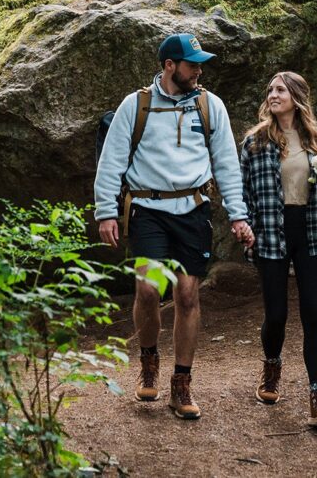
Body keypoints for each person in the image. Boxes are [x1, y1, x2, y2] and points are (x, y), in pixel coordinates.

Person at [95, 32, 254, 421]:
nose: (198, 70)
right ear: (169, 66)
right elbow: (111, 161)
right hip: (148, 211)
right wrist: (105, 212)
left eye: (199, 64)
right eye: (191, 64)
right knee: (149, 290)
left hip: (193, 212)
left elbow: (226, 164)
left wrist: (238, 214)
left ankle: (181, 384)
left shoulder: (209, 105)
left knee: (186, 295)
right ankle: (149, 361)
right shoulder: (136, 106)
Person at [239, 71, 317, 429]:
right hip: (270, 232)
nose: (273, 94)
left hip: (312, 232)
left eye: (280, 89)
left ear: (296, 96)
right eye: (270, 89)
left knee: (314, 314)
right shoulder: (254, 143)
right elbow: (243, 192)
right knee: (277, 315)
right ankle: (271, 366)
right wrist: (246, 226)